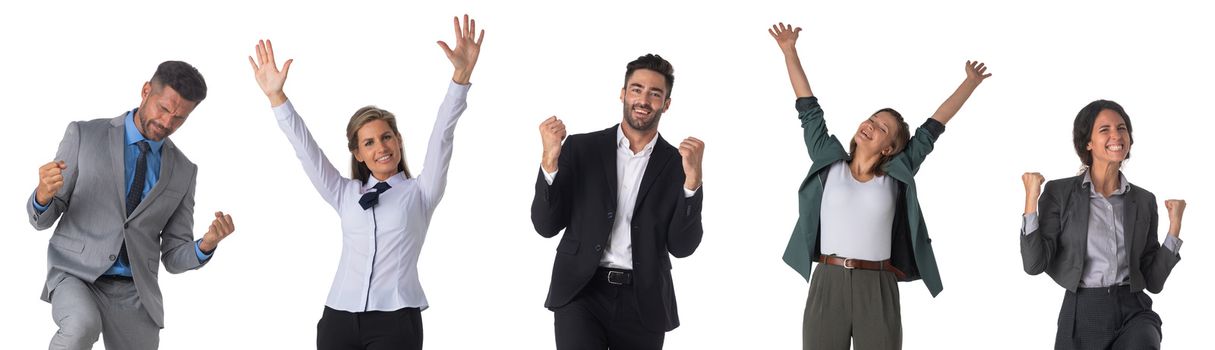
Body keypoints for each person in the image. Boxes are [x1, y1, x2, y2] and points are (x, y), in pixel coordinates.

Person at [247, 14, 482, 350]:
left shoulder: (421, 192)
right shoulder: (344, 193)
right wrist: (276, 97)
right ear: (358, 154)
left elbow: (443, 135)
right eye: (369, 143)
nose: (381, 148)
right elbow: (305, 150)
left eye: (386, 137)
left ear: (399, 141)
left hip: (396, 320)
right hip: (338, 318)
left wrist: (461, 77)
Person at [769, 22, 991, 349]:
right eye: (872, 119)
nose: (871, 126)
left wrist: (970, 83)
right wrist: (789, 50)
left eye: (882, 128)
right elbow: (808, 108)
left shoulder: (897, 172)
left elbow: (934, 126)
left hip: (878, 283)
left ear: (890, 148)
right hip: (828, 281)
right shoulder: (828, 160)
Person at [27, 60, 237, 350]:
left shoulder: (184, 171)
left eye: (179, 118)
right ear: (146, 91)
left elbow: (174, 256)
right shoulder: (84, 135)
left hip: (135, 290)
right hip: (76, 273)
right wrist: (43, 196)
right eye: (163, 109)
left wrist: (206, 245)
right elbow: (42, 219)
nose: (166, 123)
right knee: (80, 326)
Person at [531, 53, 705, 350]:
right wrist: (550, 160)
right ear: (623, 93)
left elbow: (682, 247)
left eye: (655, 93)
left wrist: (692, 182)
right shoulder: (581, 148)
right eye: (636, 89)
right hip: (581, 291)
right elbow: (546, 225)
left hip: (644, 300)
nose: (643, 100)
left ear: (666, 104)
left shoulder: (679, 163)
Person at [1020, 100, 1186, 350]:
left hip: (1134, 311)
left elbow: (1153, 280)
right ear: (1088, 143)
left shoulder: (1143, 200)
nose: (1116, 135)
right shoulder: (1060, 193)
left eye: (1121, 128)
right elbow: (1034, 264)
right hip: (1081, 314)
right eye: (1104, 129)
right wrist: (1031, 199)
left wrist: (1174, 229)